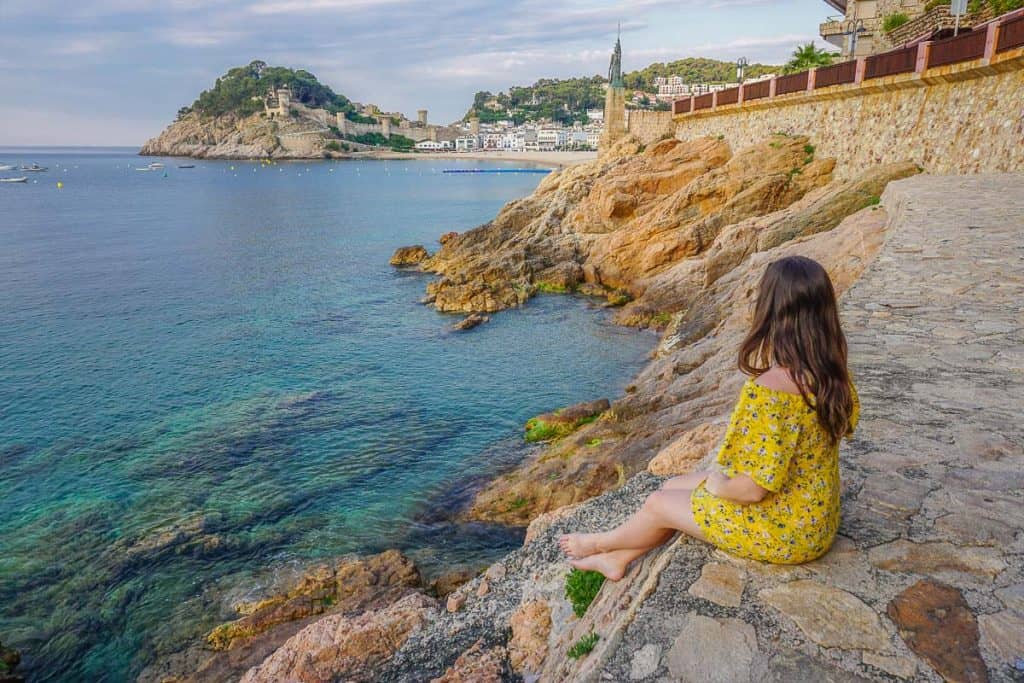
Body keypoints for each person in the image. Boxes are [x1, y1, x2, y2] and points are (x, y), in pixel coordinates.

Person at [559, 255, 860, 579]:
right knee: (675, 484)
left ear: (771, 311)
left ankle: (598, 544)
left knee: (660, 503)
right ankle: (619, 559)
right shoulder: (831, 374)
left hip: (786, 531)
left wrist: (718, 487)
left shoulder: (772, 390)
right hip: (815, 515)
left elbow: (753, 490)